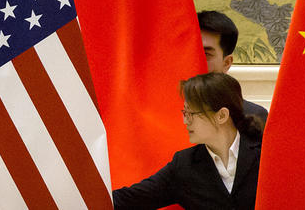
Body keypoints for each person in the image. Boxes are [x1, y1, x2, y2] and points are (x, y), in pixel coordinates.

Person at [112, 73, 263, 210]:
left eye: (191, 113)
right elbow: (131, 198)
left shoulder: (265, 154)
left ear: (222, 115)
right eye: (184, 112)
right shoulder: (184, 165)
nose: (185, 121)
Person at [198, 10, 268, 123]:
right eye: (192, 52)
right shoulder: (163, 113)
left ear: (226, 63)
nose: (196, 61)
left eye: (206, 54)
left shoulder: (252, 117)